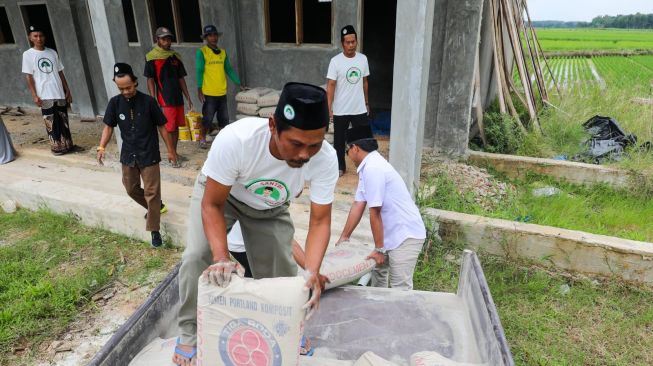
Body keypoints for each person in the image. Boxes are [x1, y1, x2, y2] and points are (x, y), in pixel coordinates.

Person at [173, 82, 338, 365]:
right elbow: (211, 204)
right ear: (273, 125)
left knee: (283, 274)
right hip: (222, 197)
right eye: (296, 144)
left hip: (270, 208)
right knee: (196, 257)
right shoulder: (237, 140)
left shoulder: (324, 159)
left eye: (314, 145)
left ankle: (287, 328)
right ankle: (189, 332)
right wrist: (221, 257)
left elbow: (320, 221)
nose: (304, 154)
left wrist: (312, 269)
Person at [97, 63, 177, 248]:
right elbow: (108, 127)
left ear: (135, 82)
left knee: (152, 192)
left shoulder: (149, 102)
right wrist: (101, 147)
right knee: (130, 188)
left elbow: (162, 127)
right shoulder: (115, 103)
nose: (126, 91)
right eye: (121, 88)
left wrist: (171, 150)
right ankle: (156, 206)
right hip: (129, 154)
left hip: (149, 153)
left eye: (129, 87)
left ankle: (154, 231)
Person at [336, 124, 426, 290]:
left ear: (355, 148)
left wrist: (379, 248)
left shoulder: (374, 168)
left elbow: (375, 211)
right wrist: (344, 236)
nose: (347, 155)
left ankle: (402, 315)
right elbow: (358, 204)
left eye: (347, 150)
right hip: (391, 235)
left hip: (406, 235)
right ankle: (377, 311)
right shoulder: (368, 166)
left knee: (400, 288)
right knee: (378, 272)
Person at [21, 25, 75, 155]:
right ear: (30, 38)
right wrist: (34, 95)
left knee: (64, 120)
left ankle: (68, 146)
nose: (39, 38)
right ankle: (57, 148)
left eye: (41, 36)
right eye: (35, 36)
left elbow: (60, 71)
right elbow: (28, 76)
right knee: (50, 122)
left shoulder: (52, 52)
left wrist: (67, 89)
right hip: (44, 94)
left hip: (58, 92)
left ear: (44, 37)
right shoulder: (28, 55)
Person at [326, 25, 370, 177]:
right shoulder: (335, 61)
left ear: (356, 41)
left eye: (353, 42)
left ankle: (364, 167)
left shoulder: (363, 59)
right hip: (341, 109)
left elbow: (364, 82)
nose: (351, 45)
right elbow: (330, 85)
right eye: (347, 42)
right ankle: (340, 166)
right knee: (339, 141)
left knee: (363, 139)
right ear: (342, 43)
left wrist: (366, 103)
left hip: (359, 108)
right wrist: (328, 107)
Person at [144, 27, 192, 165]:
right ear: (157, 40)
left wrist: (187, 96)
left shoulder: (175, 57)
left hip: (177, 97)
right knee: (168, 127)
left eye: (169, 38)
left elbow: (181, 78)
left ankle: (174, 152)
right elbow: (150, 80)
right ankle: (171, 154)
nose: (167, 41)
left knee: (176, 127)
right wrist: (153, 99)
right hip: (164, 99)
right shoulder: (151, 57)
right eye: (163, 39)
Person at [196, 24, 244, 149]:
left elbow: (228, 69)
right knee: (207, 118)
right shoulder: (202, 52)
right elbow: (199, 70)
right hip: (209, 93)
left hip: (222, 92)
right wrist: (199, 88)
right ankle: (201, 138)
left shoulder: (222, 53)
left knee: (224, 119)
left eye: (215, 35)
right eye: (210, 35)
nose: (213, 38)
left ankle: (224, 141)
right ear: (206, 38)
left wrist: (239, 83)